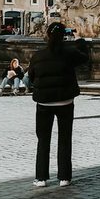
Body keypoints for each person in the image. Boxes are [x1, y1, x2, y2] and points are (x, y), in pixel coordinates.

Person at [27, 22, 90, 186]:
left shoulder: (38, 56)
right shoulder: (69, 53)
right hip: (65, 101)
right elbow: (85, 57)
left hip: (44, 103)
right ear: (63, 36)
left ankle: (41, 177)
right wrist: (79, 40)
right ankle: (64, 177)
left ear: (47, 35)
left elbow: (32, 77)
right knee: (64, 138)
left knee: (43, 140)